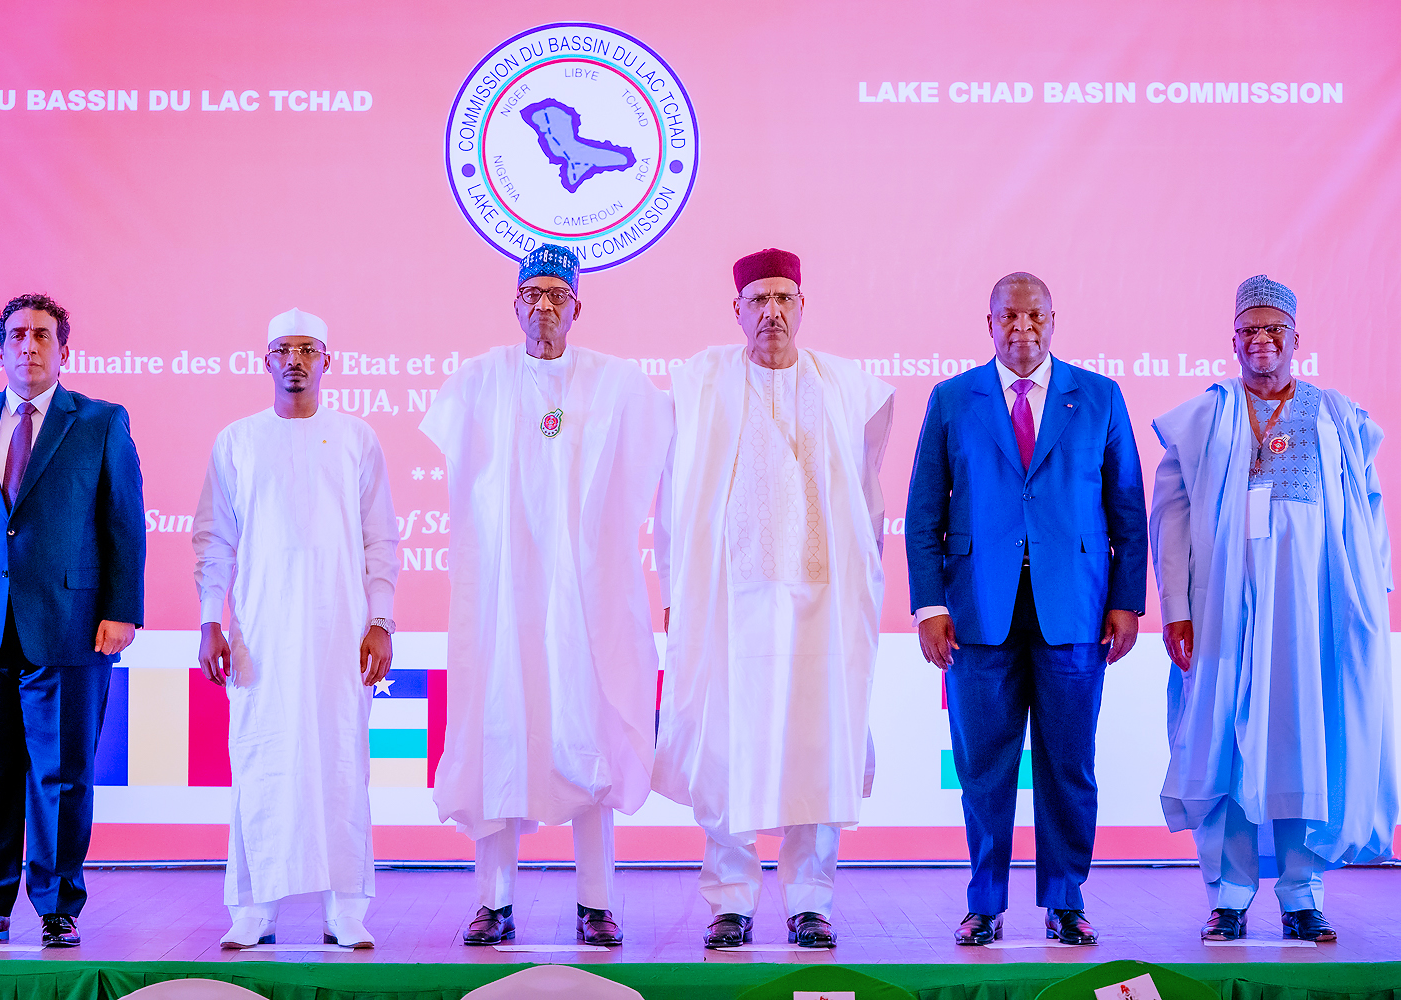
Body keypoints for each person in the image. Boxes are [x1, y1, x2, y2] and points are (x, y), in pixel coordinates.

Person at [421, 244, 672, 947]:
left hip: (588, 598)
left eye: (557, 295)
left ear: (578, 306)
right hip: (504, 597)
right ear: (513, 305)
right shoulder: (476, 382)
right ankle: (493, 903)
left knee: (589, 732)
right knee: (503, 730)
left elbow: (663, 452)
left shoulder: (617, 384)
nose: (544, 307)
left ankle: (596, 904)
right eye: (531, 294)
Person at [653, 248, 894, 949]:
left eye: (784, 298)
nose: (771, 312)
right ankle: (730, 900)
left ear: (803, 305)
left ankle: (809, 901)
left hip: (821, 605)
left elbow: (869, 495)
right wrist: (675, 589)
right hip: (728, 605)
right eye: (757, 300)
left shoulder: (851, 386)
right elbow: (672, 500)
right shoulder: (699, 383)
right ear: (736, 311)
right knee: (729, 748)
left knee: (815, 748)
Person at [1150, 274, 1396, 943]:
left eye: (1274, 331)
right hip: (1225, 613)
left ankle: (1302, 897)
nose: (1262, 342)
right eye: (1249, 331)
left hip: (1310, 617)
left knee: (1303, 744)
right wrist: (1176, 607)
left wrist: (1372, 600)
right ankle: (1227, 899)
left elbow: (1369, 512)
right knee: (1228, 746)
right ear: (1232, 339)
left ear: (1296, 339)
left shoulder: (1337, 415)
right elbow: (1170, 518)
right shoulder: (1207, 414)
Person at [905, 271, 1146, 947]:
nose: (1022, 328)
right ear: (988, 324)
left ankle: (1065, 899)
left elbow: (1127, 506)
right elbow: (925, 510)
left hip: (1076, 612)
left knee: (1069, 764)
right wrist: (929, 606)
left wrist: (1127, 601)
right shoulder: (953, 399)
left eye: (1034, 316)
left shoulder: (1097, 397)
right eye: (1008, 317)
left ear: (1052, 320)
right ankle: (985, 902)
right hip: (977, 615)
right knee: (984, 767)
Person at [0, 293, 146, 947]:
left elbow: (123, 523)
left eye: (42, 335)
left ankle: (57, 906)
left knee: (62, 774)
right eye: (17, 335)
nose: (28, 345)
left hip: (71, 624)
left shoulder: (100, 421)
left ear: (62, 349)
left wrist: (121, 611)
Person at [193, 307, 400, 950]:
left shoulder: (358, 439)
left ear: (327, 361)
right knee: (262, 763)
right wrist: (210, 619)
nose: (296, 361)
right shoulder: (237, 441)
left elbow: (380, 539)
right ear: (266, 361)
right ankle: (255, 908)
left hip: (341, 633)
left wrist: (381, 619)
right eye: (284, 349)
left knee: (343, 762)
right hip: (260, 633)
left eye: (308, 349)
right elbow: (213, 539)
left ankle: (347, 909)